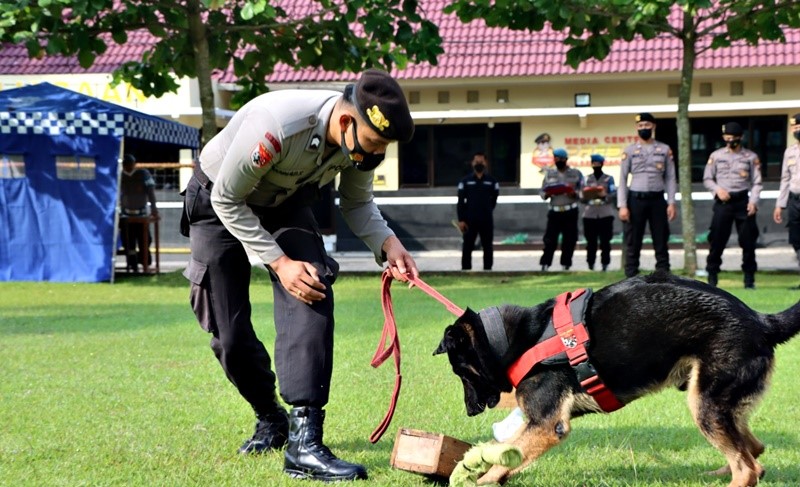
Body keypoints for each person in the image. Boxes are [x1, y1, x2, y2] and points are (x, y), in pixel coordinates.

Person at [180, 69, 419, 482]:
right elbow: (228, 199)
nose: (376, 153)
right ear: (347, 122)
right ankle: (270, 417)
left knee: (312, 288)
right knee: (230, 334)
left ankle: (304, 442)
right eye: (374, 142)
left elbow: (357, 203)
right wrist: (279, 262)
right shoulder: (279, 126)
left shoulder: (357, 143)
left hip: (283, 204)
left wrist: (388, 243)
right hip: (219, 202)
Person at [617, 113, 677, 277]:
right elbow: (622, 179)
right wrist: (622, 205)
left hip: (657, 200)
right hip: (635, 200)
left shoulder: (664, 149)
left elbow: (671, 177)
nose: (644, 128)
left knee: (661, 240)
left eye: (647, 125)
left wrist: (671, 202)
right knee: (633, 241)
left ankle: (664, 277)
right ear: (637, 128)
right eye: (641, 126)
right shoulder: (629, 151)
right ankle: (630, 277)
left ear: (654, 126)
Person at [703, 121, 762, 289]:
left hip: (743, 202)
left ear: (740, 138)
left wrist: (753, 201)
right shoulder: (716, 156)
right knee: (717, 241)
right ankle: (712, 277)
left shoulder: (750, 157)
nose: (730, 141)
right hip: (723, 203)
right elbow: (707, 178)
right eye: (727, 138)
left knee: (748, 242)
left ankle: (749, 279)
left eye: (734, 138)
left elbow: (757, 182)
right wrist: (717, 190)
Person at [539, 148, 584, 271]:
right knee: (550, 239)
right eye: (556, 158)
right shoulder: (549, 174)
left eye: (560, 159)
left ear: (566, 159)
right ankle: (545, 264)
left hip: (570, 210)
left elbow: (582, 191)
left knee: (569, 239)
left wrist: (574, 194)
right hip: (555, 211)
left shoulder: (576, 173)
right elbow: (542, 192)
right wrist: (547, 194)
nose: (558, 161)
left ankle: (566, 264)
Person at [457, 152, 500, 271]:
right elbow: (461, 201)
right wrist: (461, 220)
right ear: (472, 163)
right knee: (467, 245)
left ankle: (488, 270)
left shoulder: (492, 181)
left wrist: (487, 210)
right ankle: (465, 270)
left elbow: (494, 199)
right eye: (476, 162)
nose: (479, 164)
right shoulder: (465, 181)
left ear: (485, 163)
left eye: (481, 162)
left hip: (486, 219)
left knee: (487, 246)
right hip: (469, 220)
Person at [119, 154, 158, 271]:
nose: (129, 167)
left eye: (131, 164)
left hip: (141, 213)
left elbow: (151, 192)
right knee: (128, 241)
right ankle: (132, 264)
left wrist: (154, 209)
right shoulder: (120, 176)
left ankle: (145, 260)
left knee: (145, 239)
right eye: (126, 164)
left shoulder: (143, 174)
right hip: (126, 214)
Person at [773, 113, 800, 282]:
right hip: (794, 200)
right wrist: (779, 204)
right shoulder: (789, 152)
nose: (797, 130)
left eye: (799, 127)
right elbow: (785, 179)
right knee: (797, 240)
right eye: (794, 128)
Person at [580, 154, 616, 271]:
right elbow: (580, 196)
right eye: (594, 163)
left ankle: (605, 264)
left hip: (605, 213)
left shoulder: (608, 179)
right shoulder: (586, 179)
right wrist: (586, 194)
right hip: (590, 213)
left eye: (598, 163)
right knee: (591, 242)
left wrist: (604, 195)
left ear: (602, 164)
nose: (596, 165)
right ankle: (591, 263)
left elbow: (613, 194)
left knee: (605, 241)